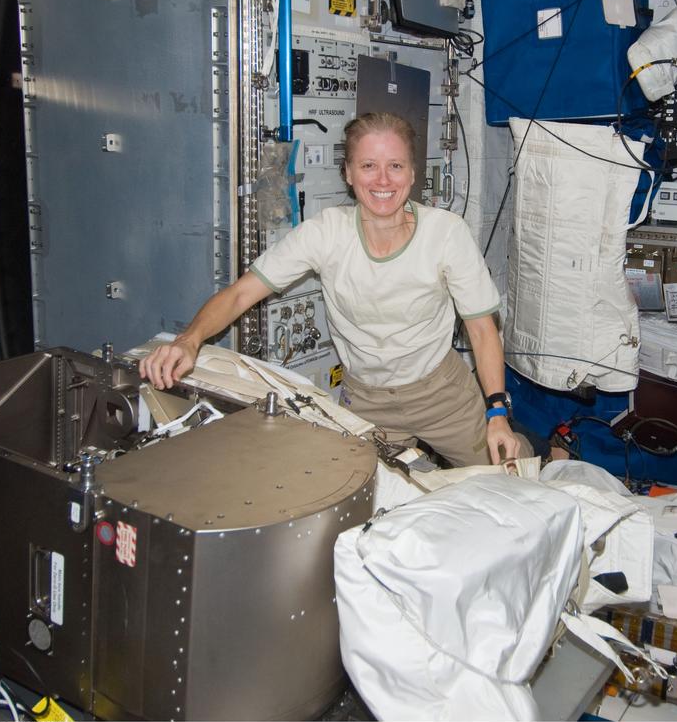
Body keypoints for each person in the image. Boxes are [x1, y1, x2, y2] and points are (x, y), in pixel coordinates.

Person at [139, 111, 530, 467]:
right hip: (367, 401)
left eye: (395, 166)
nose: (382, 180)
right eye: (368, 166)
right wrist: (189, 341)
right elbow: (241, 293)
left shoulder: (446, 233)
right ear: (348, 173)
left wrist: (497, 412)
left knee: (512, 474)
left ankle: (549, 460)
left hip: (442, 394)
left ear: (413, 174)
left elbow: (481, 328)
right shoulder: (326, 233)